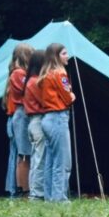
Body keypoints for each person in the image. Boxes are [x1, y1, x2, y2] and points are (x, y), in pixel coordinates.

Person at [37, 43, 76, 203]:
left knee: (51, 161)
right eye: (64, 53)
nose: (67, 56)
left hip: (47, 118)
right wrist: (72, 95)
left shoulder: (45, 75)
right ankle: (59, 198)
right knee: (62, 161)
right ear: (57, 57)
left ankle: (49, 197)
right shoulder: (60, 74)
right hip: (58, 118)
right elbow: (68, 97)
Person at [4, 43, 34, 198]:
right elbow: (28, 91)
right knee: (23, 155)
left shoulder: (18, 73)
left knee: (21, 155)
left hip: (18, 117)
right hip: (20, 116)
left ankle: (20, 189)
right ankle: (22, 190)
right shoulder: (19, 73)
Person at [22, 51, 46, 200]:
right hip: (38, 120)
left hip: (32, 121)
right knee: (40, 159)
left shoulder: (29, 80)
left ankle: (34, 192)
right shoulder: (35, 82)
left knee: (36, 158)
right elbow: (44, 101)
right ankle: (37, 193)